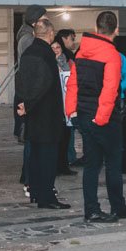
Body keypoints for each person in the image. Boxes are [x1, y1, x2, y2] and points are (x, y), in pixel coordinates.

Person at [65, 10, 126, 223]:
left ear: (96, 29)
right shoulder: (111, 54)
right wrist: (102, 118)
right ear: (116, 30)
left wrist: (72, 112)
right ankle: (117, 206)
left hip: (85, 115)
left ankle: (92, 210)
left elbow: (73, 84)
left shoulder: (81, 51)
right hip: (103, 118)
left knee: (91, 165)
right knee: (113, 162)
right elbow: (110, 90)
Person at [17, 18, 70, 209]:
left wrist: (25, 104)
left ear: (34, 34)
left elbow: (22, 80)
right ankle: (47, 197)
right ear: (50, 34)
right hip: (47, 113)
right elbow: (45, 83)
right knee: (47, 157)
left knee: (36, 156)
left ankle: (37, 193)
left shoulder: (28, 52)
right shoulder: (46, 53)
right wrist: (30, 104)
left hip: (33, 114)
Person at [14, 5, 47, 142]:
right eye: (44, 17)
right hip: (30, 90)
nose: (47, 20)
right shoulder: (28, 39)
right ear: (35, 21)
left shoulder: (27, 37)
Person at [56, 28, 83, 166]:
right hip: (66, 96)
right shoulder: (65, 55)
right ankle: (69, 157)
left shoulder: (68, 54)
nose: (74, 42)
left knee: (70, 127)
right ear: (65, 38)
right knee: (69, 127)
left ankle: (69, 156)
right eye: (72, 39)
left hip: (67, 95)